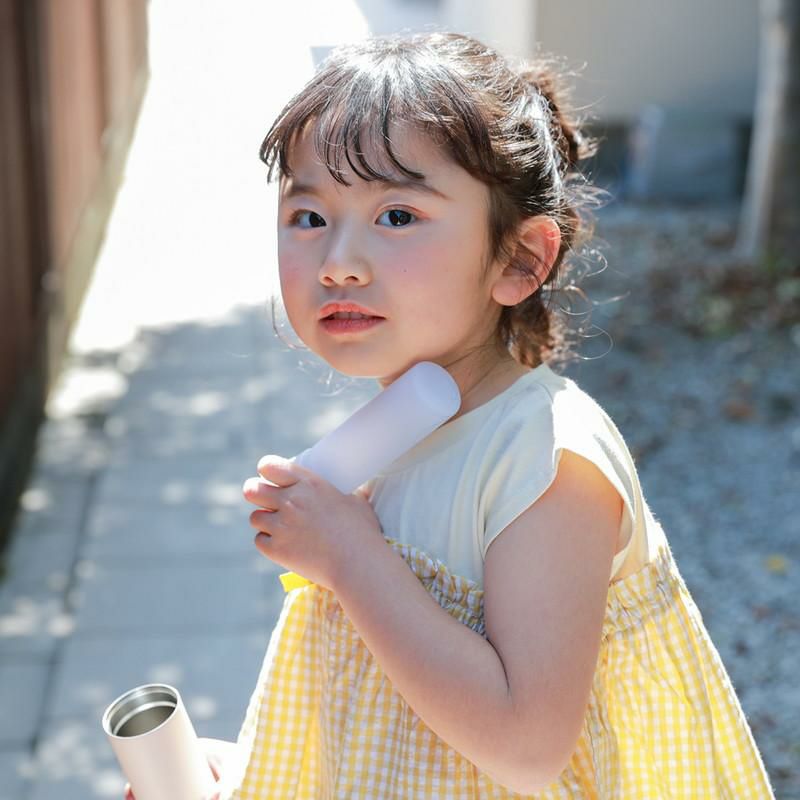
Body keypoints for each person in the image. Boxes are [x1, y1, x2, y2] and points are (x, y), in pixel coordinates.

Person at [127, 31, 774, 800]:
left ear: (519, 260)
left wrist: (352, 559)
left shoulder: (545, 459)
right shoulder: (396, 436)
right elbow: (393, 719)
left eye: (398, 216)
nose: (339, 262)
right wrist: (254, 770)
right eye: (308, 216)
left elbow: (528, 747)